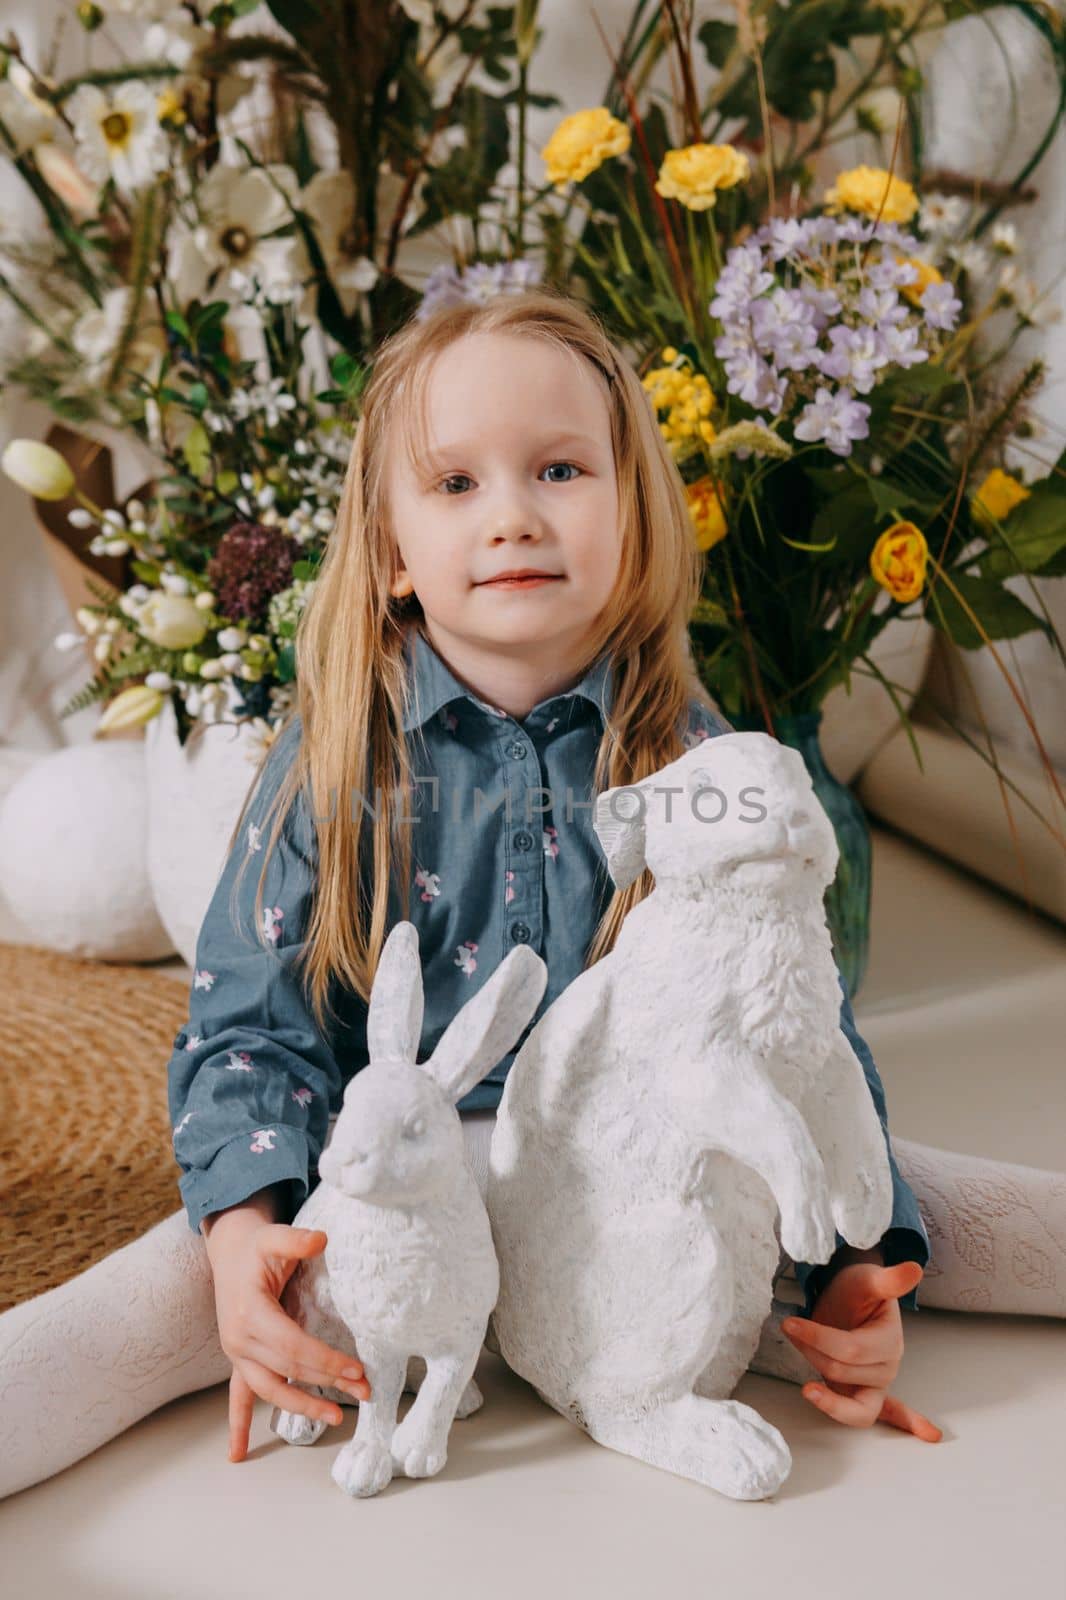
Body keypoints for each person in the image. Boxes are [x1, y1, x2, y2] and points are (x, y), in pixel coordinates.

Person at [0, 290, 948, 1501]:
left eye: (557, 469)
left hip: (619, 1170)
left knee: (936, 1213)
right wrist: (248, 1243)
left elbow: (798, 1016)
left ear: (632, 522)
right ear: (394, 552)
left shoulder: (690, 755)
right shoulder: (340, 755)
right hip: (395, 1190)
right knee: (147, 1308)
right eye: (455, 486)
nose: (511, 516)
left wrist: (861, 1264)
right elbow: (248, 1024)